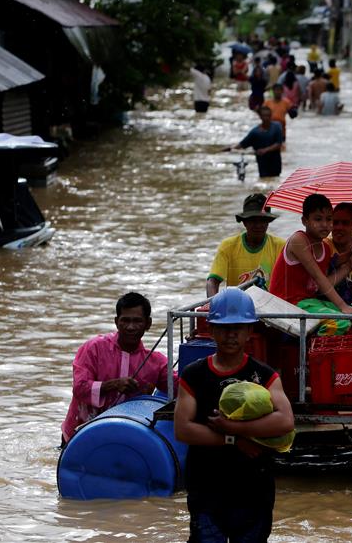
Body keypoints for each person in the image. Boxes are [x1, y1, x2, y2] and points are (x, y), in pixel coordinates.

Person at [174, 288, 294, 541]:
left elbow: (285, 421)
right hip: (206, 489)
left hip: (253, 489)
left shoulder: (264, 375)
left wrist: (234, 427)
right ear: (212, 329)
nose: (231, 334)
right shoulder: (194, 375)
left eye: (238, 328)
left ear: (250, 331)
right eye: (224, 328)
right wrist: (234, 440)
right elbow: (183, 429)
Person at [61, 292, 174, 447]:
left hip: (124, 438)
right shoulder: (93, 348)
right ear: (116, 322)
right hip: (79, 433)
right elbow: (80, 388)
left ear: (148, 324)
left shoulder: (156, 362)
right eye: (125, 320)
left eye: (137, 321)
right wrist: (113, 384)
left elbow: (180, 389)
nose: (130, 327)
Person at [269, 194, 352, 335]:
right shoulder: (299, 240)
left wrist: (349, 263)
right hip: (287, 304)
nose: (325, 224)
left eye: (329, 219)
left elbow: (322, 287)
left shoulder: (325, 248)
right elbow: (319, 277)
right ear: (304, 221)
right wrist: (343, 306)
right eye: (318, 219)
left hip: (309, 302)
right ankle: (312, 353)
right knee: (341, 322)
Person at [206, 193, 285, 297]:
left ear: (268, 222)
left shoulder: (280, 246)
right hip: (237, 305)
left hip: (268, 307)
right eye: (253, 220)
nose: (258, 225)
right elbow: (212, 282)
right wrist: (212, 305)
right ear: (244, 222)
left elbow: (288, 282)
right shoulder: (228, 246)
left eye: (262, 220)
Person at [225, 106, 283, 178]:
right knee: (264, 179)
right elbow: (243, 144)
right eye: (264, 116)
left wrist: (265, 150)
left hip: (275, 162)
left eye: (268, 116)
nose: (266, 118)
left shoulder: (277, 127)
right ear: (260, 117)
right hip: (262, 163)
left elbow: (279, 144)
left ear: (271, 116)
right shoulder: (255, 132)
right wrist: (230, 148)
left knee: (276, 179)